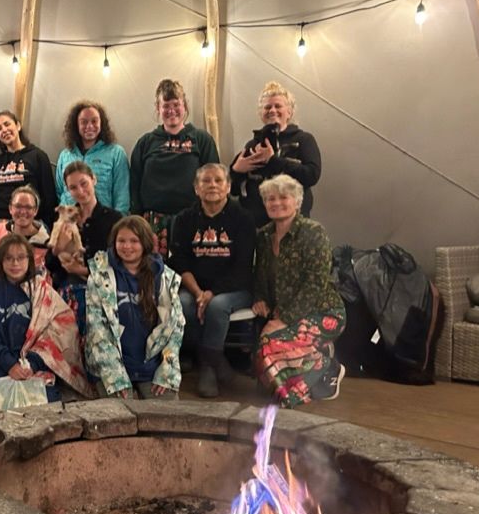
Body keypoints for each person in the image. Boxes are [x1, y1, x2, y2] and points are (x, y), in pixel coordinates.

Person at [252, 175, 346, 408]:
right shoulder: (263, 235)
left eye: (284, 197)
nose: (276, 203)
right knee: (264, 351)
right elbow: (260, 273)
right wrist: (260, 298)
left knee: (270, 344)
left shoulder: (313, 232)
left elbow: (316, 282)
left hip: (323, 311)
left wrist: (284, 319)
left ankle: (326, 368)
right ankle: (311, 361)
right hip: (284, 312)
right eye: (270, 199)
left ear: (297, 202)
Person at [0, 235, 93, 406]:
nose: (15, 263)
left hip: (38, 365)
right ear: (0, 261)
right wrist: (9, 364)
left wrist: (32, 364)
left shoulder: (42, 290)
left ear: (30, 260)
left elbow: (60, 332)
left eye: (21, 258)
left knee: (47, 401)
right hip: (0, 367)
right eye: (9, 258)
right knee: (12, 402)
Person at [167, 164, 256, 398]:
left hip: (235, 288)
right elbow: (179, 262)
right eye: (206, 181)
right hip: (194, 287)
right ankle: (214, 359)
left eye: (218, 180)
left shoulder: (243, 219)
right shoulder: (184, 219)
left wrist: (211, 293)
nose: (212, 185)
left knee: (217, 306)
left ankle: (207, 366)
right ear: (197, 188)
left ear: (228, 187)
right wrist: (198, 293)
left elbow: (242, 266)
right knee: (183, 303)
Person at [85, 216, 185, 399]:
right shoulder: (99, 277)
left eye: (134, 241)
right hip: (111, 366)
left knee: (167, 412)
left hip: (152, 366)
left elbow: (175, 327)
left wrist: (166, 371)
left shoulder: (165, 278)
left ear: (145, 243)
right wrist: (115, 377)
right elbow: (97, 330)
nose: (127, 246)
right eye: (121, 241)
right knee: (118, 413)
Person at [130, 78, 220, 254]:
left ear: (184, 106)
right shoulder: (146, 143)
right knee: (154, 270)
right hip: (153, 223)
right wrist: (136, 221)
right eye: (166, 106)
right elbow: (134, 184)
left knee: (190, 268)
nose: (171, 110)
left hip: (193, 219)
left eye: (176, 104)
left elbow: (213, 180)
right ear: (158, 108)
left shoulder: (201, 139)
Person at [45, 161, 123, 334]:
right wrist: (58, 248)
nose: (80, 191)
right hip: (67, 285)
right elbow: (50, 264)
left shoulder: (113, 219)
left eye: (84, 184)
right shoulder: (64, 217)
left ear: (94, 180)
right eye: (73, 188)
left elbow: (117, 264)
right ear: (68, 190)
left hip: (102, 286)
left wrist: (82, 270)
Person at [231, 81, 322, 227]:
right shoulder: (252, 145)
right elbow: (233, 189)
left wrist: (273, 161)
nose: (272, 110)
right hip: (256, 227)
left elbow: (311, 175)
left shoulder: (304, 140)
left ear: (289, 112)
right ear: (261, 113)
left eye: (278, 106)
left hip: (294, 226)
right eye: (267, 107)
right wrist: (236, 171)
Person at [55, 100, 130, 213]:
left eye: (94, 121)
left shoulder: (116, 153)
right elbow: (59, 192)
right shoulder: (65, 155)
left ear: (101, 123)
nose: (89, 126)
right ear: (76, 125)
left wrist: (118, 222)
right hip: (70, 220)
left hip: (103, 221)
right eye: (84, 122)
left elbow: (122, 197)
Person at [0, 110, 57, 225]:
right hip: (0, 221)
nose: (4, 130)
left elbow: (49, 197)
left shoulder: (38, 156)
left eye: (7, 124)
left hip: (30, 222)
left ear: (18, 126)